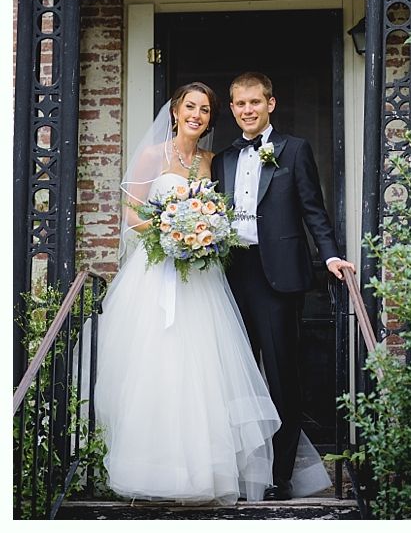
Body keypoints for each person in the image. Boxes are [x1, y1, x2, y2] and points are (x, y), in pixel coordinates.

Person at [94, 82, 280, 504]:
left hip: (201, 279)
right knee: (159, 367)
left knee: (204, 370)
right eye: (190, 107)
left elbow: (222, 214)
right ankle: (157, 470)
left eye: (205, 110)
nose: (197, 115)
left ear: (211, 118)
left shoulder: (213, 162)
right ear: (176, 111)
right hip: (157, 274)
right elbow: (130, 212)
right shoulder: (151, 156)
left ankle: (206, 474)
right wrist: (170, 232)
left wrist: (200, 238)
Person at [212, 71, 355, 501]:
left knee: (280, 377)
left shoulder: (294, 149)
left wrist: (329, 254)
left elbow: (314, 208)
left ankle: (279, 475)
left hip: (278, 278)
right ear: (233, 108)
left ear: (270, 104)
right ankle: (238, 471)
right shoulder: (222, 159)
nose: (248, 110)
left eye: (255, 102)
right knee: (232, 376)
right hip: (230, 274)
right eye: (240, 104)